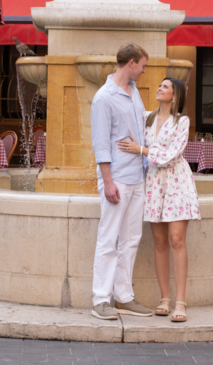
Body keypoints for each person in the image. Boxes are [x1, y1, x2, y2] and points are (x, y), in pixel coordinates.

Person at [119, 77, 200, 323]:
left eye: (165, 86)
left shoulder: (182, 121)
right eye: (160, 85)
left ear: (175, 96)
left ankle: (180, 302)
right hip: (154, 183)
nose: (159, 88)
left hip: (176, 182)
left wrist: (142, 151)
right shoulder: (147, 118)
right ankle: (164, 298)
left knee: (177, 240)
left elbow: (172, 155)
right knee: (159, 241)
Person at [88, 43, 154, 321]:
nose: (144, 70)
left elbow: (139, 125)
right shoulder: (104, 98)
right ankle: (100, 300)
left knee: (132, 239)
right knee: (108, 239)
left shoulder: (134, 91)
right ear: (130, 63)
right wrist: (108, 181)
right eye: (142, 65)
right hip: (117, 179)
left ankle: (123, 296)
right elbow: (100, 143)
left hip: (138, 176)